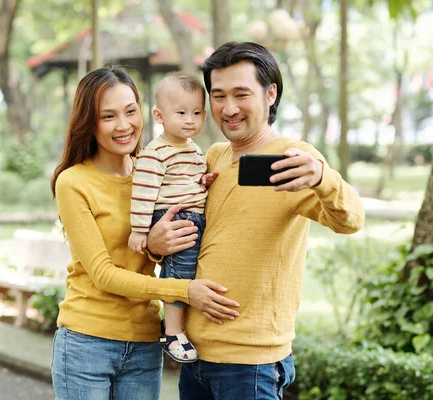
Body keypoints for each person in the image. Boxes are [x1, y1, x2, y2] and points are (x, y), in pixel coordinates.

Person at [147, 42, 366, 399]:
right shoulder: (214, 156)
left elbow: (350, 220)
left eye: (240, 94)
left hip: (251, 365)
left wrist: (322, 176)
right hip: (194, 356)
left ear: (270, 94)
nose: (228, 108)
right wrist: (157, 244)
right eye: (218, 96)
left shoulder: (294, 159)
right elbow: (193, 235)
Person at [50, 66, 240, 400]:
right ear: (88, 122)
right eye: (108, 116)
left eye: (129, 111)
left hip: (144, 343)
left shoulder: (153, 168)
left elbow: (178, 227)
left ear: (144, 112)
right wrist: (184, 290)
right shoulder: (74, 182)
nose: (123, 126)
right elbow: (104, 275)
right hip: (87, 342)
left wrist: (155, 246)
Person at [128, 72, 215, 363]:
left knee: (187, 270)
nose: (190, 120)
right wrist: (140, 230)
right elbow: (143, 191)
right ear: (159, 115)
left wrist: (204, 182)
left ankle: (179, 326)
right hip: (170, 219)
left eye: (197, 113)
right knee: (180, 272)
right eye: (181, 113)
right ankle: (173, 331)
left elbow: (189, 181)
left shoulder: (193, 150)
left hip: (191, 218)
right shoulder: (156, 152)